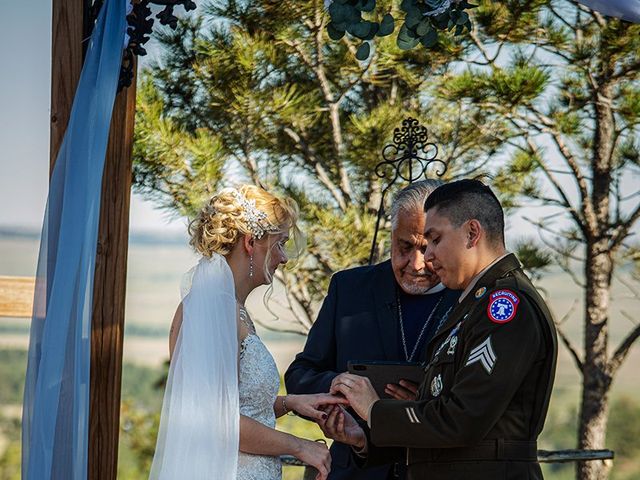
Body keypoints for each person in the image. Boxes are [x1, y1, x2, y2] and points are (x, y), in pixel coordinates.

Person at [323, 179, 558, 480]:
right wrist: (363, 437)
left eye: (434, 240)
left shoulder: (504, 307)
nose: (428, 257)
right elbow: (442, 422)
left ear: (472, 233)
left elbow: (462, 419)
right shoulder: (473, 303)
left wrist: (375, 410)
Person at [149, 185, 346, 480]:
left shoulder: (234, 309)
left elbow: (238, 406)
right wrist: (301, 446)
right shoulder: (213, 309)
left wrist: (290, 403)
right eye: (279, 244)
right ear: (251, 242)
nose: (284, 258)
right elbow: (215, 421)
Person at [285, 180, 461, 480]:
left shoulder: (468, 296)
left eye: (426, 248)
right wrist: (341, 388)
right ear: (391, 236)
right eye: (404, 247)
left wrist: (428, 401)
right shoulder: (350, 288)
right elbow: (300, 376)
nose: (416, 264)